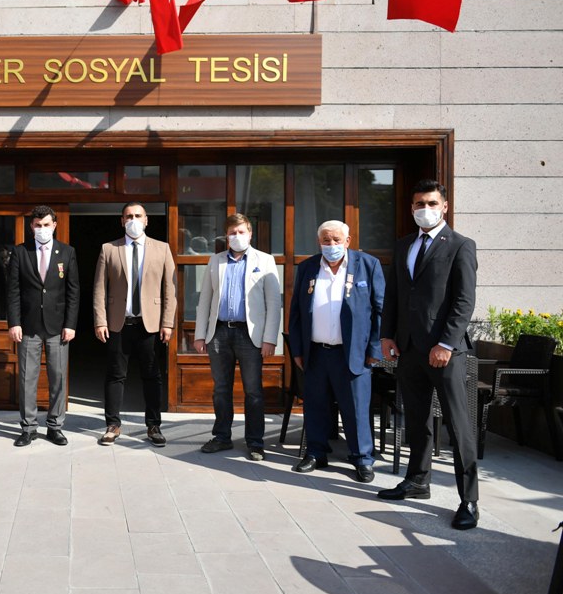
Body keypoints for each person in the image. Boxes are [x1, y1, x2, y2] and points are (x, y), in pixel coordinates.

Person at [378, 180, 479, 530]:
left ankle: (469, 500)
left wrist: (446, 344)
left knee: (458, 426)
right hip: (409, 349)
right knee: (416, 419)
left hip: (445, 353)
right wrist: (387, 335)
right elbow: (393, 295)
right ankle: (418, 481)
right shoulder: (404, 245)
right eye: (419, 203)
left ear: (444, 206)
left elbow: (464, 301)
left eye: (432, 203)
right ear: (412, 208)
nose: (425, 209)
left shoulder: (461, 245)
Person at [287, 220, 385, 483]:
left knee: (356, 409)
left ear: (348, 241)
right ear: (319, 242)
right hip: (316, 352)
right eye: (326, 240)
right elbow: (296, 312)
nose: (331, 245)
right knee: (315, 406)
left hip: (353, 353)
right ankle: (315, 453)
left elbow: (380, 310)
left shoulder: (368, 265)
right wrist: (297, 349)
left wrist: (375, 347)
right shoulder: (307, 267)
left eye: (336, 240)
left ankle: (362, 458)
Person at [194, 213, 280, 461]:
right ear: (226, 235)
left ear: (250, 234)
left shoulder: (265, 260)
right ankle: (222, 437)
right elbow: (205, 300)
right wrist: (200, 335)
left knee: (253, 391)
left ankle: (255, 442)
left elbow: (274, 303)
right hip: (219, 332)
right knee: (221, 389)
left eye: (241, 232)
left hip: (250, 335)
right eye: (232, 232)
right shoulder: (216, 260)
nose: (237, 236)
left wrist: (270, 338)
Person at [93, 202, 177, 447]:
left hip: (150, 325)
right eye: (128, 216)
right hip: (118, 323)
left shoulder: (162, 249)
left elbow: (170, 290)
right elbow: (99, 289)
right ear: (122, 221)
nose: (133, 220)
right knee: (115, 375)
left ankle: (153, 425)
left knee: (152, 376)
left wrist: (168, 323)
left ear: (146, 220)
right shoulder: (109, 249)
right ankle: (112, 425)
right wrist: (100, 320)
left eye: (138, 215)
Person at [7, 205, 79, 447]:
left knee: (58, 377)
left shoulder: (67, 252)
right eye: (38, 225)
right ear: (31, 226)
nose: (42, 229)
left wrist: (70, 324)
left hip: (58, 327)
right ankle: (28, 428)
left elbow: (73, 292)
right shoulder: (20, 252)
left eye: (46, 224)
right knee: (27, 379)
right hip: (28, 327)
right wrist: (14, 322)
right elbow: (13, 291)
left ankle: (55, 427)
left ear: (54, 225)